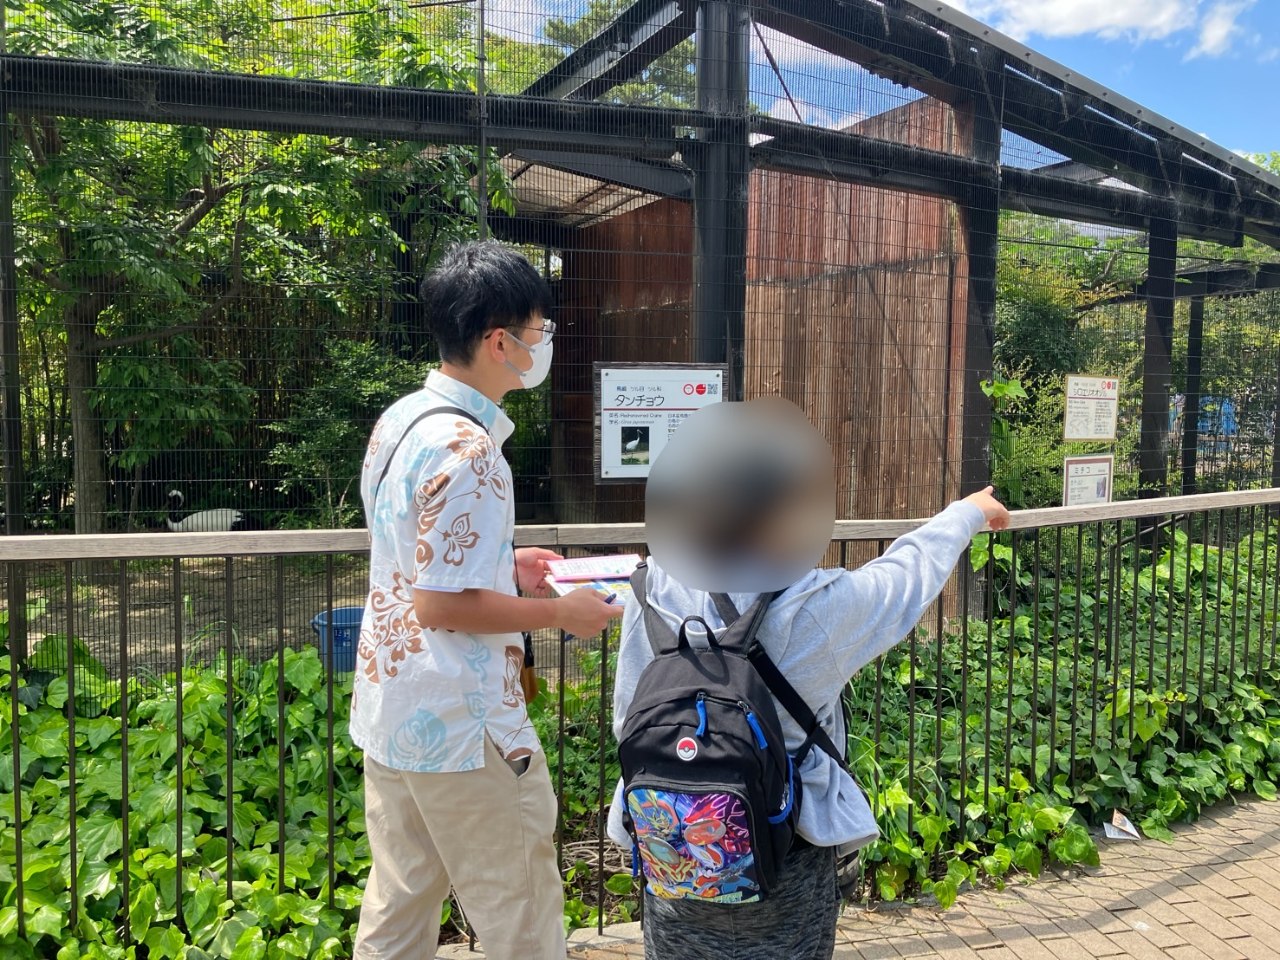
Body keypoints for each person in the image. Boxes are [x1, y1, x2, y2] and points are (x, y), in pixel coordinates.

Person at [606, 398, 1010, 960]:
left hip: (671, 844)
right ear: (783, 511)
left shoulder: (650, 590)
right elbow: (905, 579)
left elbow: (628, 718)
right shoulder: (815, 608)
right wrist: (966, 513)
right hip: (787, 843)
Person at [352, 240, 622, 960]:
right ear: (501, 342)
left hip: (395, 710)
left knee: (400, 904)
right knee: (521, 915)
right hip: (465, 725)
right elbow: (442, 605)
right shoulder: (472, 452)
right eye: (540, 330)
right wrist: (561, 612)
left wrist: (505, 566)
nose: (546, 343)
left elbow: (413, 560)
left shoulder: (400, 421)